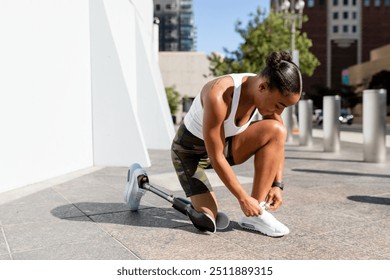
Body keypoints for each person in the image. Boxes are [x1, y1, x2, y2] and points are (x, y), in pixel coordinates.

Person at [170, 51, 302, 237]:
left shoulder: (262, 92)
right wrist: (242, 198)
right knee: (209, 219)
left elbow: (278, 140)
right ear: (263, 87)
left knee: (277, 130)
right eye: (279, 105)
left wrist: (277, 185)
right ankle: (143, 184)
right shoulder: (220, 94)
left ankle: (255, 215)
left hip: (224, 148)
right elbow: (216, 157)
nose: (279, 111)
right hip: (189, 154)